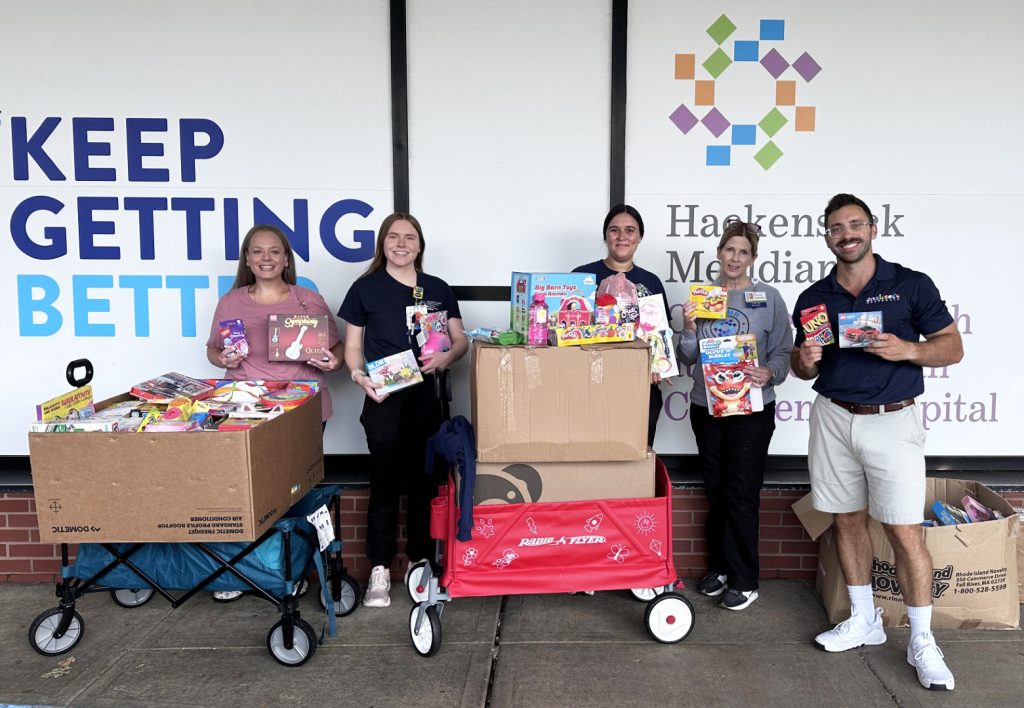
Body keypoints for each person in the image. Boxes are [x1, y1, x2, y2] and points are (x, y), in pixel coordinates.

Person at [791, 193, 963, 691]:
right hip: (833, 417)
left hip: (892, 420)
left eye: (855, 225)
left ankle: (922, 640)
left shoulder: (910, 284)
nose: (847, 234)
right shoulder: (814, 298)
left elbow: (953, 347)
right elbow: (804, 370)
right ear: (826, 236)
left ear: (872, 229)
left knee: (904, 531)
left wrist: (908, 349)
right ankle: (864, 619)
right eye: (836, 227)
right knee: (846, 520)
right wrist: (806, 357)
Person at [205, 223, 343, 601]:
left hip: (301, 411)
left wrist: (333, 361)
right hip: (245, 409)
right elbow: (213, 350)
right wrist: (223, 357)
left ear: (286, 259)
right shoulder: (230, 301)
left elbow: (338, 347)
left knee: (294, 494)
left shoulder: (307, 300)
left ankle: (291, 571)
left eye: (274, 251)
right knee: (244, 493)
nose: (266, 258)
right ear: (247, 259)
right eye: (257, 251)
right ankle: (241, 572)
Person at [338, 213, 468, 608]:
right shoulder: (365, 290)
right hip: (382, 398)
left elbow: (460, 341)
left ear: (419, 245)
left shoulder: (438, 289)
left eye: (409, 238)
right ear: (382, 244)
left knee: (424, 483)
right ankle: (379, 567)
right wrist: (360, 378)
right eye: (393, 237)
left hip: (426, 399)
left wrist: (446, 359)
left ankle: (420, 560)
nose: (400, 244)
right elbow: (353, 347)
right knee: (384, 482)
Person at [677, 218, 793, 611]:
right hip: (705, 406)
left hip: (751, 409)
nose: (735, 257)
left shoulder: (770, 298)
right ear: (719, 253)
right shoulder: (705, 298)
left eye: (744, 252)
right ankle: (721, 568)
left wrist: (770, 371)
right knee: (716, 490)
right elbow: (688, 357)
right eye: (730, 250)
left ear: (753, 258)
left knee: (742, 492)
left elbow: (782, 353)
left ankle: (744, 579)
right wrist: (689, 328)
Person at [573, 204, 669, 447]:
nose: (622, 236)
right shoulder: (582, 277)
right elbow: (566, 332)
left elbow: (661, 336)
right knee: (590, 453)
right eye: (615, 230)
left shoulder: (651, 282)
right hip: (591, 384)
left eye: (630, 230)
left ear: (639, 237)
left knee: (636, 455)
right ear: (606, 237)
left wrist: (660, 364)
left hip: (640, 387)